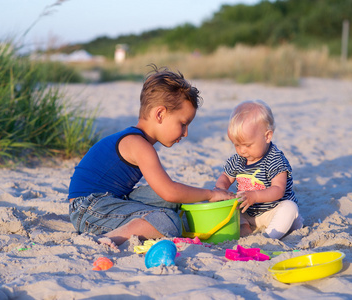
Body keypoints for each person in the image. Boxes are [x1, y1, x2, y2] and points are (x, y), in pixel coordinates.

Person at [68, 65, 235, 247]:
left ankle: (148, 224)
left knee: (170, 201)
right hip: (89, 209)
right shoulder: (139, 145)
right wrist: (210, 194)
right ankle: (108, 239)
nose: (186, 133)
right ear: (160, 114)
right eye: (183, 124)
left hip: (109, 200)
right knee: (168, 220)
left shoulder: (138, 140)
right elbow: (169, 191)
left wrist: (202, 196)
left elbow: (167, 193)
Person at [215, 100, 303, 239]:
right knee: (228, 209)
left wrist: (255, 196)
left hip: (273, 211)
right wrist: (220, 189)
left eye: (248, 145)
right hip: (247, 212)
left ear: (267, 136)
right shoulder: (238, 159)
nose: (242, 150)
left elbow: (278, 190)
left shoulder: (275, 159)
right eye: (237, 145)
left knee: (289, 208)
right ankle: (244, 228)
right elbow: (226, 176)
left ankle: (269, 237)